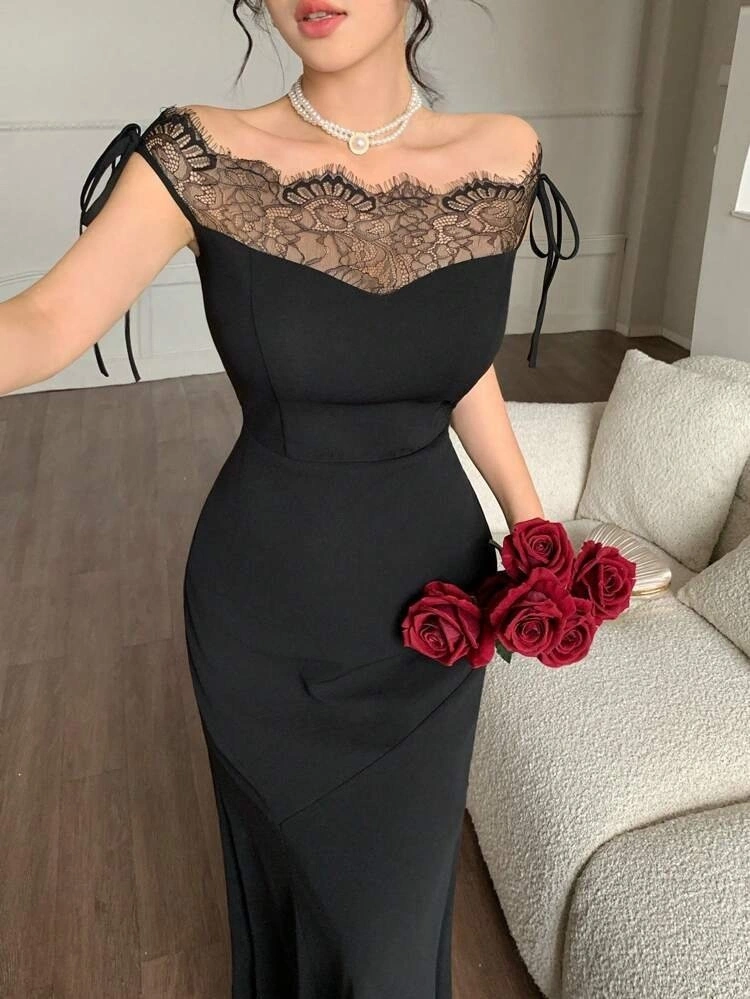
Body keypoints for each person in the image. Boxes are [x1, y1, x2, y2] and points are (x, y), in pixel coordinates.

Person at [0, 0, 579, 995]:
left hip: (435, 611)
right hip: (265, 616)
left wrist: (533, 524)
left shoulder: (503, 156)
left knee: (390, 940)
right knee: (299, 900)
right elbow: (45, 320)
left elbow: (451, 358)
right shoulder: (202, 156)